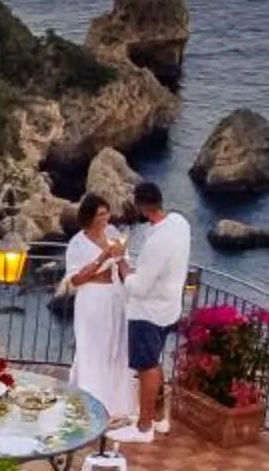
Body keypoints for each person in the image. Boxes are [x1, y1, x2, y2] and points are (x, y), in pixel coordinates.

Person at [118, 180, 192, 441]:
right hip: (170, 307)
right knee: (156, 362)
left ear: (141, 206)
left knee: (147, 366)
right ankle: (159, 419)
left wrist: (123, 266)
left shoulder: (156, 243)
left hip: (147, 313)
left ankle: (143, 427)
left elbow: (138, 287)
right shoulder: (180, 224)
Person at [59, 194, 133, 429]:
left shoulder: (112, 233)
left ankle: (116, 405)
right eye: (100, 214)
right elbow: (76, 279)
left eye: (107, 213)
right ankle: (90, 403)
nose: (105, 218)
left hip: (115, 296)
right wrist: (102, 257)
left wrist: (122, 260)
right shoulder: (78, 243)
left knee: (116, 346)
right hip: (92, 299)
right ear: (89, 216)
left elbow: (123, 265)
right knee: (92, 348)